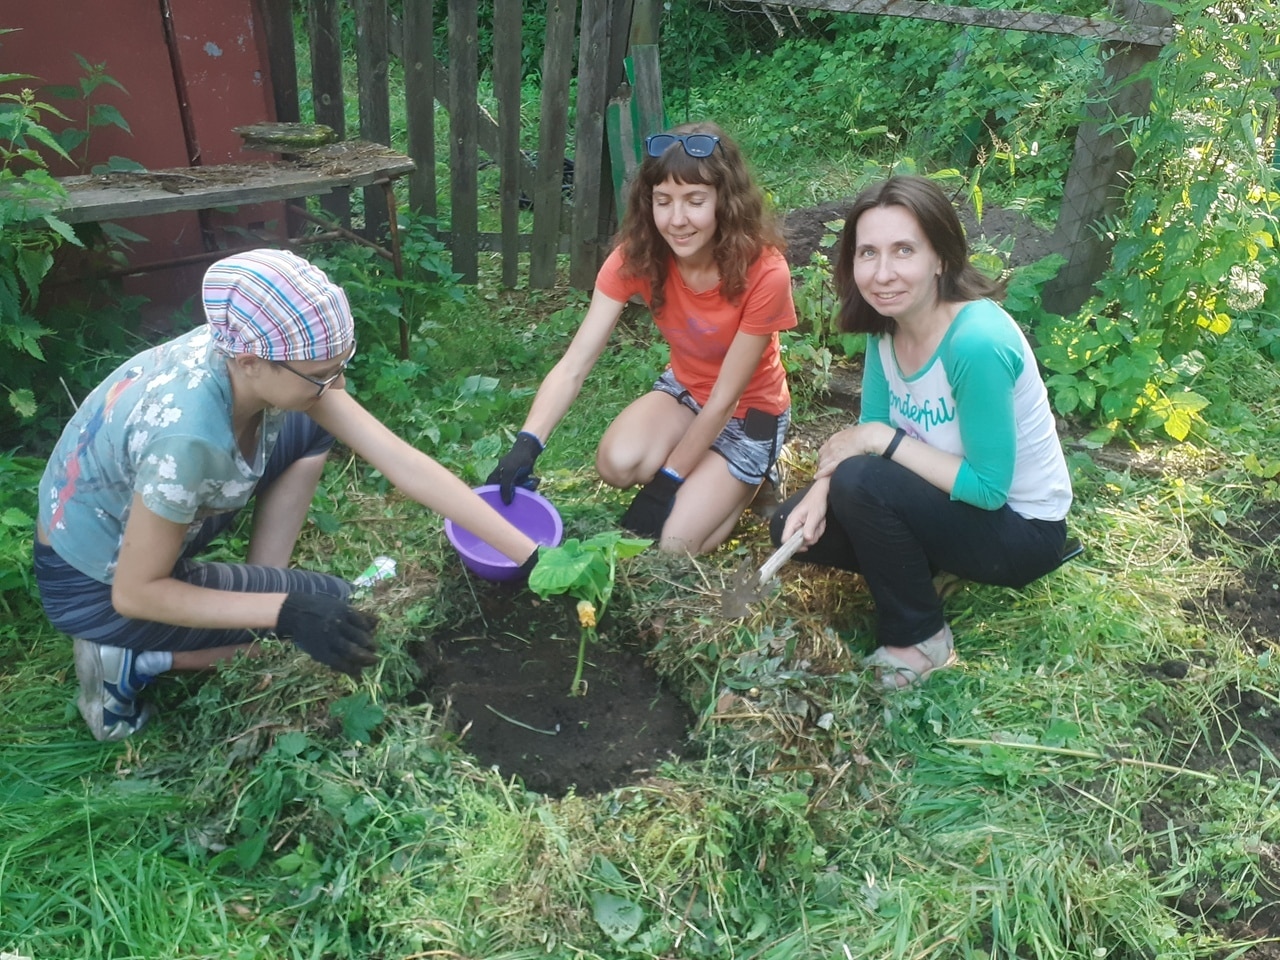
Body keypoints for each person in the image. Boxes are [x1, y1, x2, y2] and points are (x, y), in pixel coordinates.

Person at [36, 248, 539, 741]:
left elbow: (401, 460)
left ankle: (260, 588)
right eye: (321, 376)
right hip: (96, 585)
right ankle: (127, 660)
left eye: (339, 366)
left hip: (127, 524)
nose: (336, 385)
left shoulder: (238, 354)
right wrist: (285, 612)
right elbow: (135, 592)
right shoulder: (186, 438)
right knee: (339, 612)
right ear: (254, 361)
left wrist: (529, 556)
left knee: (310, 432)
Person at [770, 175, 1072, 688]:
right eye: (868, 253)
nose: (882, 273)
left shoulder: (975, 341)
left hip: (1022, 529)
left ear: (941, 258)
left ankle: (920, 639)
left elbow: (987, 487)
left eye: (903, 250)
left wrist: (876, 445)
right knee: (793, 527)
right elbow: (875, 425)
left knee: (862, 482)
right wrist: (820, 489)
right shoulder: (887, 327)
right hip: (949, 500)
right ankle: (929, 568)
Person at [487, 122, 797, 555]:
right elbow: (576, 363)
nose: (677, 220)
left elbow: (727, 399)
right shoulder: (637, 257)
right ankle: (704, 473)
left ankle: (759, 475)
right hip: (686, 392)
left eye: (695, 201)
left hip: (750, 416)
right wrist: (527, 444)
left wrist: (665, 485)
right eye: (663, 201)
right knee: (615, 463)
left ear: (725, 203)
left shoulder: (765, 271)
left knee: (673, 543)